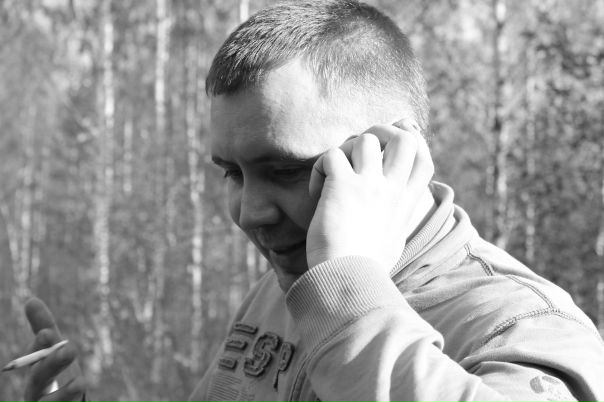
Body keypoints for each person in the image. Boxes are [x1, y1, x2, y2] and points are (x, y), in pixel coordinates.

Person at [22, 0, 604, 401]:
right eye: (232, 173)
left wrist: (349, 299)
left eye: (285, 170)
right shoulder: (285, 288)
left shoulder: (524, 328)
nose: (250, 214)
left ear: (393, 153)